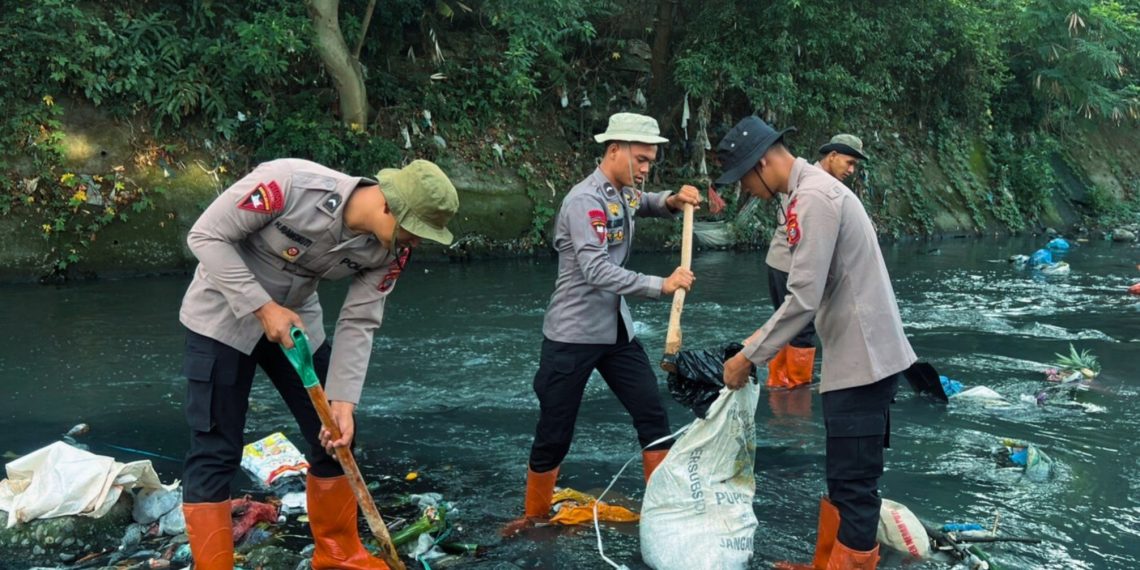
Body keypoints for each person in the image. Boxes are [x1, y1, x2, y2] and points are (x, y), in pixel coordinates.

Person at [178, 159, 458, 570]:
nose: (416, 243)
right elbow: (205, 235)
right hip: (221, 317)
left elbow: (360, 320)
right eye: (416, 231)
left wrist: (344, 401)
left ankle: (336, 553)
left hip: (294, 324)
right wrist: (262, 307)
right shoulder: (289, 185)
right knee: (216, 448)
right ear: (388, 208)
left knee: (337, 436)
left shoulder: (391, 250)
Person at [716, 117, 916, 570]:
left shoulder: (814, 198)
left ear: (763, 162)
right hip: (857, 356)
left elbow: (803, 297)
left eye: (746, 179)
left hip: (865, 361)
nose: (747, 190)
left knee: (855, 484)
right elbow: (813, 290)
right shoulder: (805, 194)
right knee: (843, 475)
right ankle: (825, 564)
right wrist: (753, 343)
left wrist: (748, 358)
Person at [505, 113, 702, 534]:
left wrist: (670, 200)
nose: (647, 169)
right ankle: (534, 516)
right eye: (643, 160)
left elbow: (642, 204)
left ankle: (663, 513)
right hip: (572, 334)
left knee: (652, 414)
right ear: (615, 150)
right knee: (555, 431)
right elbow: (596, 271)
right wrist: (661, 285)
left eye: (651, 161)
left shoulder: (622, 191)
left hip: (616, 333)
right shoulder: (584, 200)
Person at [765, 133, 868, 390]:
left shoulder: (818, 182)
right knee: (800, 327)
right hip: (788, 264)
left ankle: (780, 383)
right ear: (832, 157)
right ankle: (796, 386)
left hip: (784, 262)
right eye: (849, 163)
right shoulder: (812, 184)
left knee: (790, 325)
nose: (852, 170)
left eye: (855, 165)